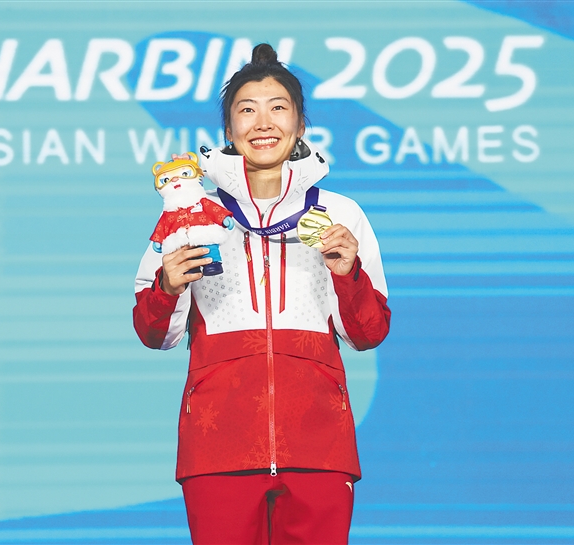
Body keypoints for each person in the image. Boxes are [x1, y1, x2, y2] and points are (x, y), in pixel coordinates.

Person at [133, 43, 391, 545]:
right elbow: (154, 335)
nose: (263, 123)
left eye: (278, 108)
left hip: (319, 446)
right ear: (229, 131)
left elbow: (369, 333)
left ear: (300, 125)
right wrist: (168, 286)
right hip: (217, 447)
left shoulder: (341, 213)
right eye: (247, 110)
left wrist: (348, 273)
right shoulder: (188, 217)